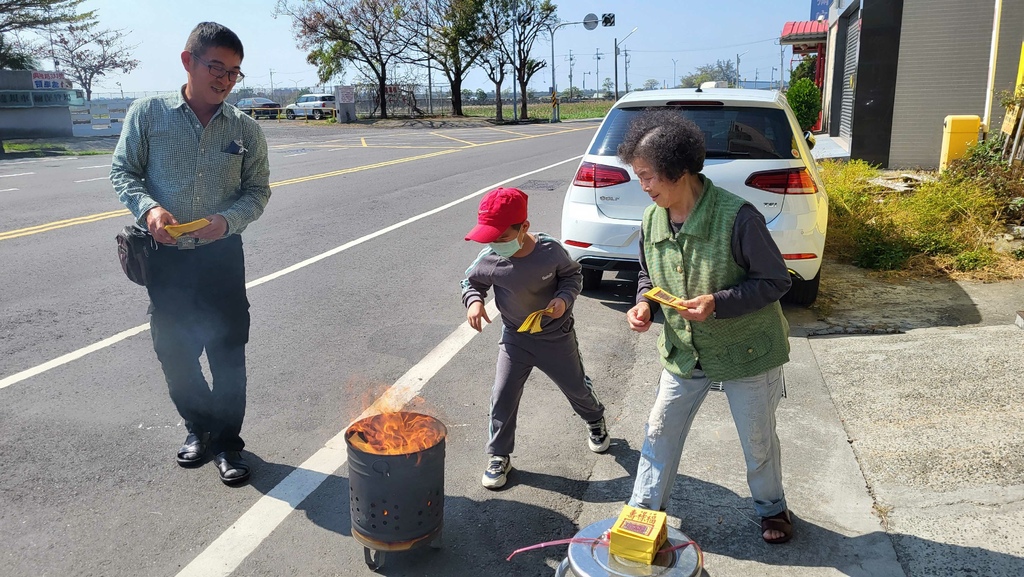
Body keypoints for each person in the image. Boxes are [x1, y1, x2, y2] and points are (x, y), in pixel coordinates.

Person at [619, 109, 795, 543]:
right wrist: (643, 303)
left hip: (747, 350)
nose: (642, 187)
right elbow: (647, 275)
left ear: (679, 171)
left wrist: (717, 302)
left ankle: (772, 509)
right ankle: (644, 513)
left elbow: (775, 281)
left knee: (757, 440)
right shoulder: (650, 220)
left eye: (647, 177)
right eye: (638, 176)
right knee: (658, 430)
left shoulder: (739, 217)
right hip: (684, 349)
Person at [110, 22, 271, 486]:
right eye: (215, 66)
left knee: (228, 352)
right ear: (188, 61)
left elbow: (257, 192)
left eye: (234, 72)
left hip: (220, 257)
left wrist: (228, 220)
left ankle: (227, 444)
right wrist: (149, 209)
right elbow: (124, 172)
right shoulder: (149, 114)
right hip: (166, 259)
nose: (224, 79)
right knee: (175, 351)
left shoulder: (245, 129)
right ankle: (199, 428)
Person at [461, 187, 609, 489]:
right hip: (516, 339)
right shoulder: (489, 258)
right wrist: (473, 301)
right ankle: (499, 455)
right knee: (502, 394)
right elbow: (472, 281)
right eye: (490, 238)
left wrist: (563, 300)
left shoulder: (549, 251)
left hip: (556, 337)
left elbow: (573, 276)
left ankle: (595, 419)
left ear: (524, 228)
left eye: (502, 237)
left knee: (577, 387)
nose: (495, 244)